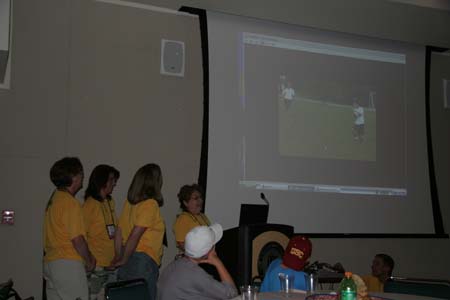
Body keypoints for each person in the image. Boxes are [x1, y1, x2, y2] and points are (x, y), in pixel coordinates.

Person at [43, 157, 96, 300]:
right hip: (68, 265)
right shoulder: (70, 203)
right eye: (81, 173)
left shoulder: (54, 199)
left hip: (51, 263)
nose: (83, 176)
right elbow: (77, 239)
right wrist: (90, 261)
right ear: (73, 177)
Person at [111, 163, 165, 300]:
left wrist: (119, 256)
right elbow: (136, 234)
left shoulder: (130, 204)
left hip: (128, 259)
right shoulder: (150, 204)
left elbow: (119, 231)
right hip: (143, 262)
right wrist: (123, 259)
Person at [157, 224, 238, 300]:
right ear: (209, 252)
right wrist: (218, 262)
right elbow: (232, 294)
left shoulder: (172, 266)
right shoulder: (196, 275)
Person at [82, 164, 120, 299]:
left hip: (111, 265)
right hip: (96, 267)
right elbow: (81, 236)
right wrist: (89, 260)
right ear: (101, 180)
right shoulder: (90, 205)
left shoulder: (109, 202)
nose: (114, 183)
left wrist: (118, 255)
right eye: (111, 179)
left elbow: (115, 232)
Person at [173, 184, 211, 253]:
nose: (200, 200)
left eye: (200, 197)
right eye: (196, 198)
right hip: (191, 260)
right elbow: (181, 244)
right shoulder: (182, 219)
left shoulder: (203, 216)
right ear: (185, 203)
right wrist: (198, 255)